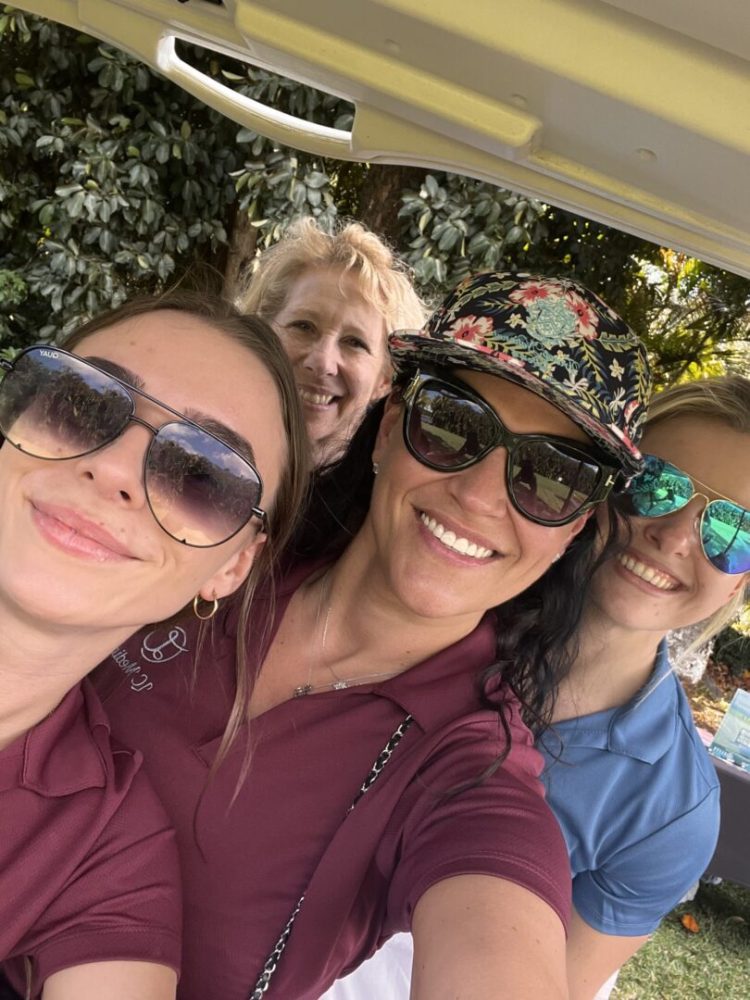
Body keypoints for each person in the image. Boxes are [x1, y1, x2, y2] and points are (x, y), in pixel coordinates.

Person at [95, 272, 651, 1000]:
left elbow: (496, 911)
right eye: (453, 423)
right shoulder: (221, 538)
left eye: (552, 475)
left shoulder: (469, 769)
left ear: (573, 528)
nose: (479, 495)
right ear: (390, 429)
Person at [325, 374, 749, 1000]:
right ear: (599, 482)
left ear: (742, 585)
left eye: (731, 532)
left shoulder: (673, 810)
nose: (675, 535)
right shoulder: (435, 599)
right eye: (657, 487)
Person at [0, 292, 309, 1000]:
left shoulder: (108, 853)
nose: (111, 470)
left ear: (232, 567)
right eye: (82, 402)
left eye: (203, 477)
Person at [238, 216, 428, 465]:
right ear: (263, 331)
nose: (322, 362)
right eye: (303, 326)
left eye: (354, 343)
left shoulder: (382, 500)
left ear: (385, 380)